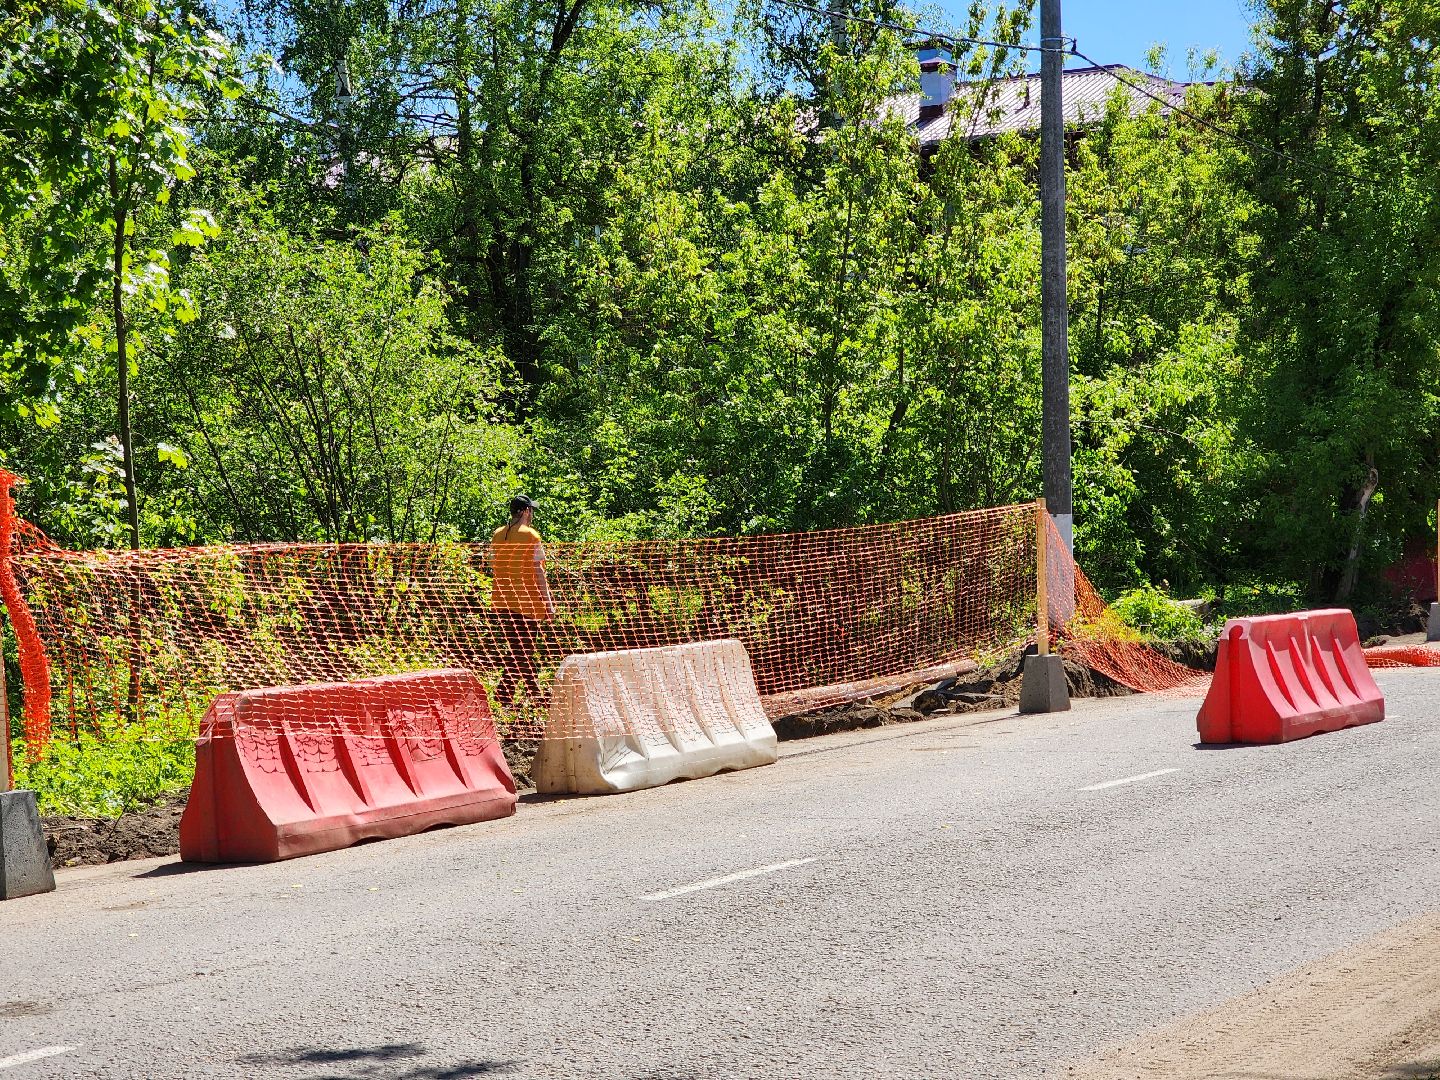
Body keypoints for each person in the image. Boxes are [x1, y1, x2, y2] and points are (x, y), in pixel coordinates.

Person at [490, 495, 555, 706]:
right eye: (531, 510)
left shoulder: (498, 535)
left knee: (519, 650)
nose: (532, 514)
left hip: (502, 601)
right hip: (527, 603)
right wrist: (548, 603)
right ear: (526, 511)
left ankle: (531, 693)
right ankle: (506, 694)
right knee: (523, 650)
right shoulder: (531, 536)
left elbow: (492, 564)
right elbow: (539, 572)